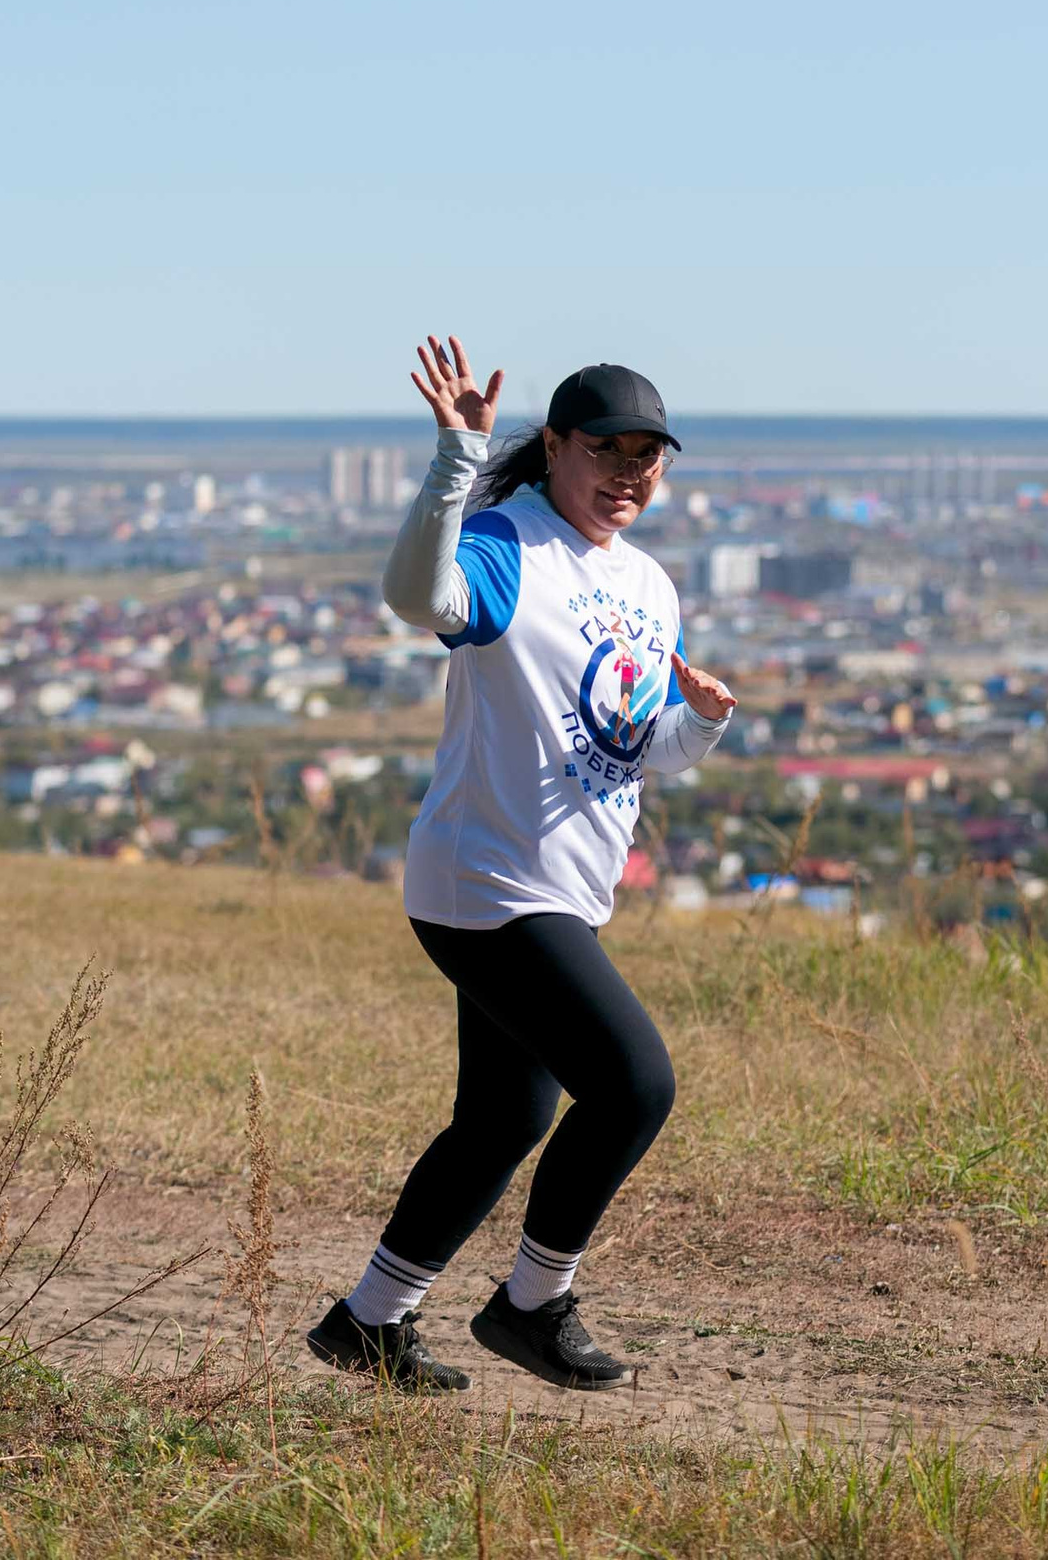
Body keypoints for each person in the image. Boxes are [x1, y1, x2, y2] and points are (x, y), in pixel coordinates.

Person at [305, 339, 736, 1393]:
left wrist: (702, 726)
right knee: (633, 1086)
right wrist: (456, 460)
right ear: (553, 446)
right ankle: (532, 1304)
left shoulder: (645, 582)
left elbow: (628, 746)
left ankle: (368, 1322)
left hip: (561, 892)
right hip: (487, 885)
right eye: (608, 448)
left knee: (506, 1119)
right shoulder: (510, 544)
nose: (631, 469)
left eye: (651, 454)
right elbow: (419, 599)